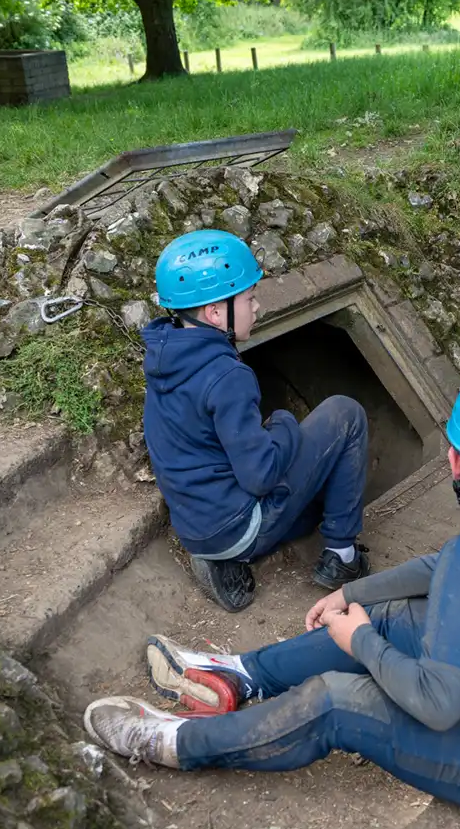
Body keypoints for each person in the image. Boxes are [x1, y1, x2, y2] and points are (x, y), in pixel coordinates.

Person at [82, 365, 460, 820]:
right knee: (391, 615)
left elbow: (439, 704)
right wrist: (352, 593)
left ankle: (172, 743)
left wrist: (360, 639)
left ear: (453, 460)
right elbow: (442, 568)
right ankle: (243, 675)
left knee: (336, 700)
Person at [143, 230, 372, 613]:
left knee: (318, 503)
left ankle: (222, 561)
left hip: (197, 524)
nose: (258, 307)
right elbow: (261, 476)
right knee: (345, 413)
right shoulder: (227, 376)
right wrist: (283, 423)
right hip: (237, 525)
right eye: (249, 298)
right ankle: (342, 557)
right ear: (215, 313)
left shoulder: (167, 356)